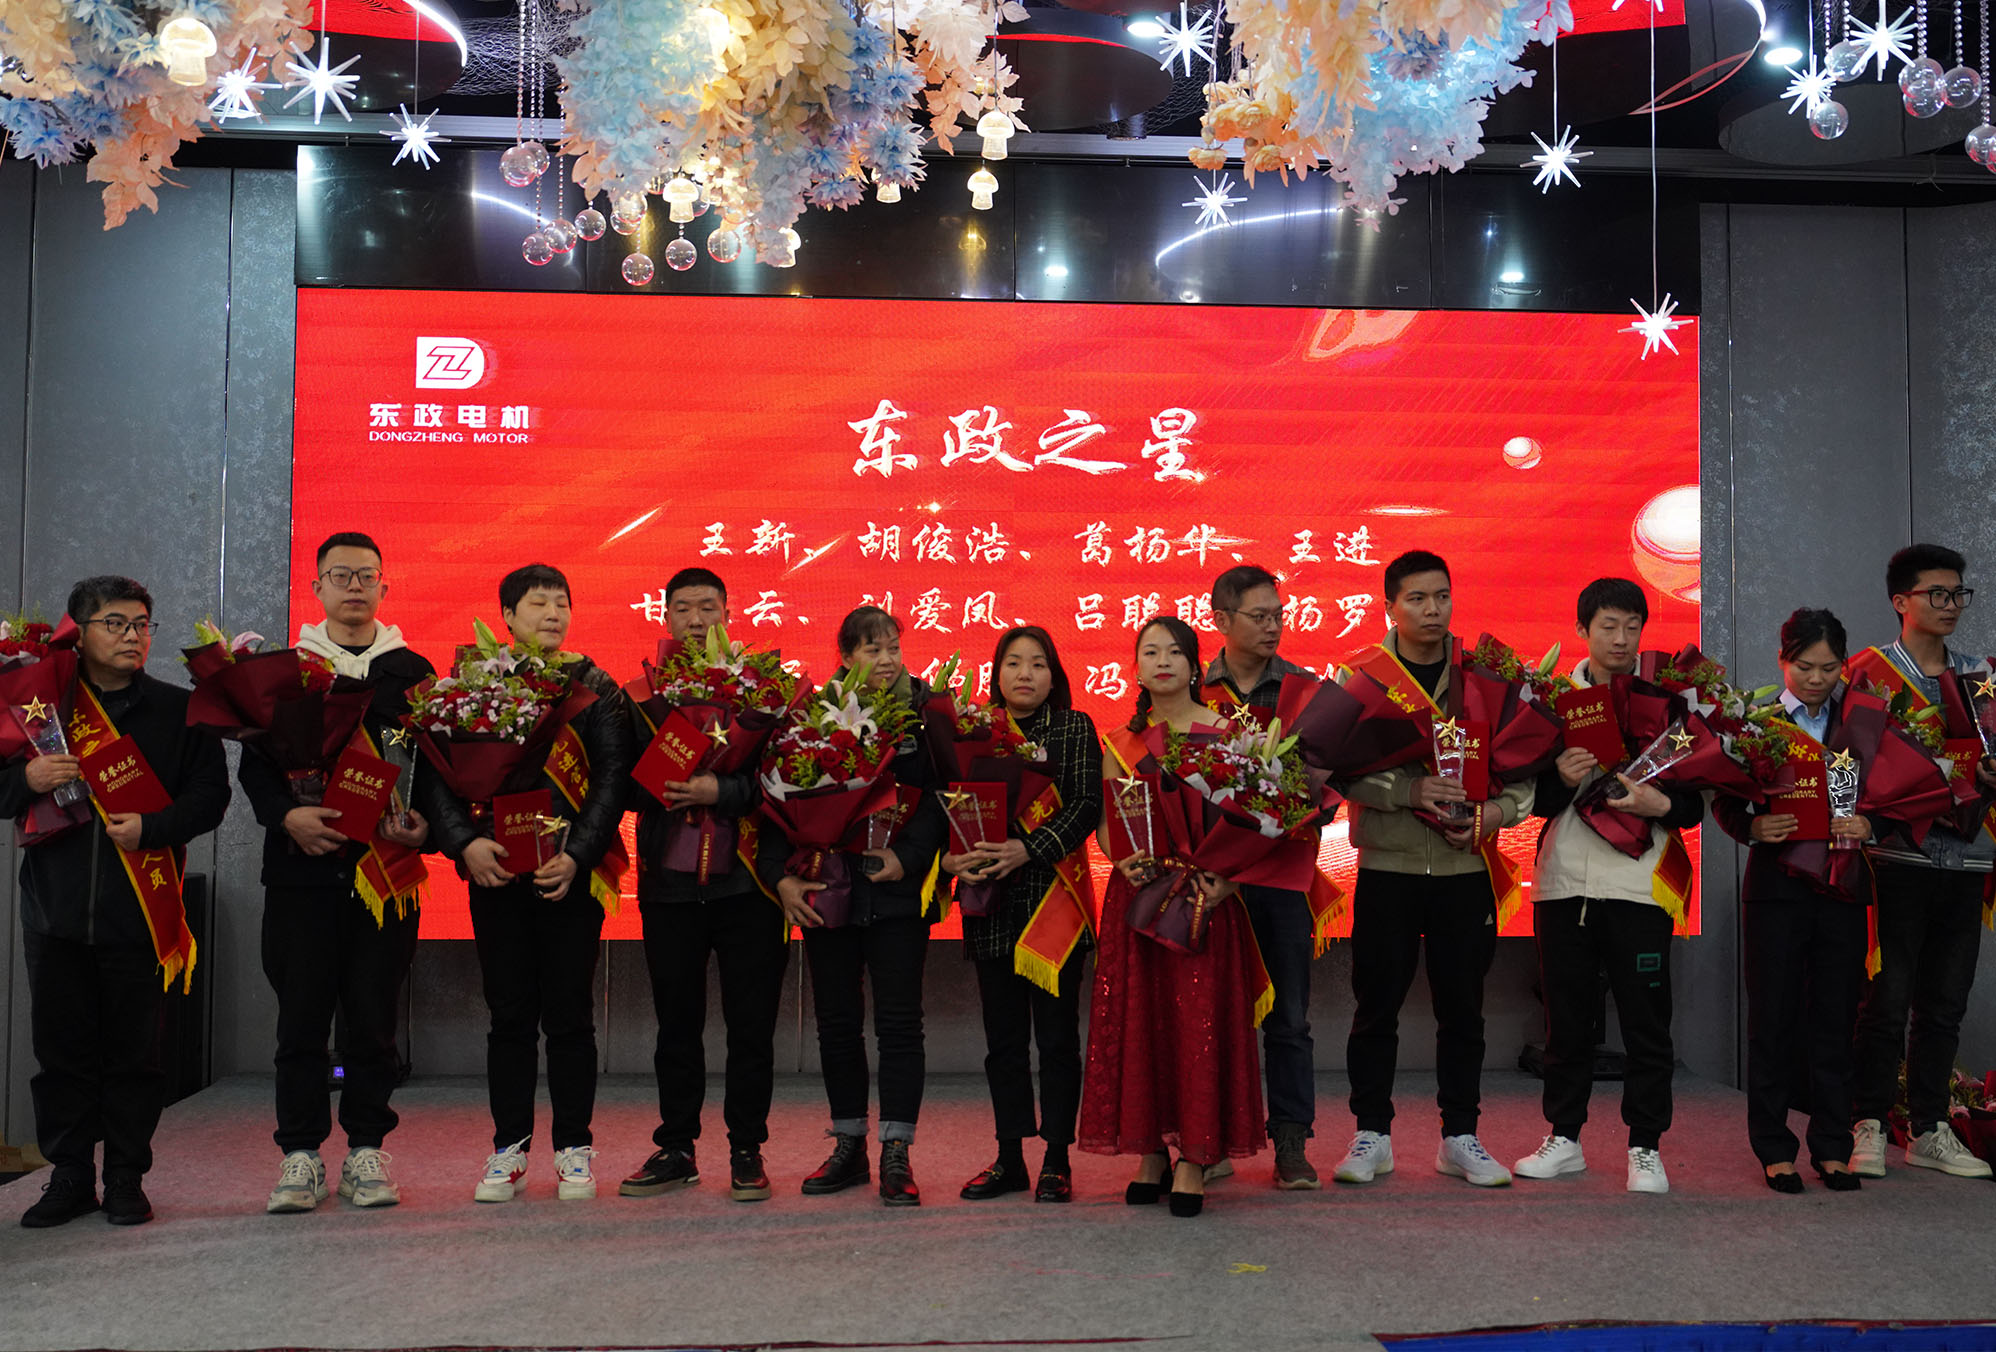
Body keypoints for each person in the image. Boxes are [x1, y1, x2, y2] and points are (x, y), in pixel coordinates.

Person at [1, 577, 229, 1227]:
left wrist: (152, 828)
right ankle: (69, 1175)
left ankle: (126, 1175)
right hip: (55, 910)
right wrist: (28, 778)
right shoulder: (40, 708)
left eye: (142, 625)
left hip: (139, 913)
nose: (133, 636)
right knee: (61, 1055)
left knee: (136, 1056)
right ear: (78, 633)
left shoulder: (180, 710)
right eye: (116, 624)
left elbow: (210, 798)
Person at [425, 564, 634, 1203]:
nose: (552, 613)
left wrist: (578, 854)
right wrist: (465, 844)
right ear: (507, 617)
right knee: (509, 1016)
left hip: (569, 874)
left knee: (570, 1017)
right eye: (538, 603)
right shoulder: (473, 685)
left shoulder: (596, 686)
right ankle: (508, 1150)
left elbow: (612, 780)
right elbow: (438, 775)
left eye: (561, 602)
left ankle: (574, 1149)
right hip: (495, 872)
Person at [1335, 550, 1534, 1188]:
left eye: (1442, 596)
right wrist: (1407, 791)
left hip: (1463, 871)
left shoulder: (1486, 678)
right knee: (1376, 1007)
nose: (1432, 609)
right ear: (1389, 606)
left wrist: (1494, 814)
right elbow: (1337, 771)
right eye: (1417, 598)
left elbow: (1525, 772)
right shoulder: (1361, 678)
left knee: (1463, 1010)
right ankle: (1371, 1134)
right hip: (1388, 867)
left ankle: (1460, 1136)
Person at [248, 532, 434, 1214]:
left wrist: (425, 827)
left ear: (384, 587)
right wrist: (285, 816)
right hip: (301, 874)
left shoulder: (413, 672)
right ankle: (299, 1155)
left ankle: (365, 1150)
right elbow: (255, 767)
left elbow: (434, 770)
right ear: (317, 587)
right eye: (340, 575)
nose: (354, 586)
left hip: (384, 873)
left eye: (366, 575)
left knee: (374, 1022)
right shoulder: (287, 671)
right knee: (300, 1021)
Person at [1514, 578, 1705, 1195]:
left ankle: (1645, 1147)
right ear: (1582, 630)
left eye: (1632, 626)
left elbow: (1694, 805)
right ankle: (1564, 1138)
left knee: (1647, 1024)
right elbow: (1531, 801)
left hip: (1640, 886)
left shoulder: (1669, 704)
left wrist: (1657, 803)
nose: (1621, 639)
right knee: (1566, 1023)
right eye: (1608, 626)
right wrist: (1562, 778)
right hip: (1564, 883)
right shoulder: (1551, 702)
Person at [1079, 617, 1268, 1218]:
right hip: (1139, 898)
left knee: (1197, 1024)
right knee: (1144, 1025)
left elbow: (1257, 822)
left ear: (1194, 665)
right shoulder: (1120, 741)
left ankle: (1195, 1157)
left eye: (1174, 652)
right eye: (1149, 652)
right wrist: (1119, 856)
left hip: (1203, 899)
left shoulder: (1227, 733)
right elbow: (1108, 823)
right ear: (1136, 669)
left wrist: (1229, 880)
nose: (1162, 661)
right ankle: (1152, 1152)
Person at [758, 606, 946, 1207]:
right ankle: (849, 1145)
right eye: (872, 649)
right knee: (836, 1022)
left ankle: (897, 1151)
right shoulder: (813, 717)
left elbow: (943, 798)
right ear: (845, 656)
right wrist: (780, 879)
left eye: (893, 647)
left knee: (899, 1024)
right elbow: (777, 800)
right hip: (830, 890)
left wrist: (907, 859)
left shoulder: (928, 715)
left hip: (897, 893)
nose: (887, 660)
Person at [618, 568, 790, 1204]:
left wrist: (724, 789)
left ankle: (747, 1148)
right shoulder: (642, 695)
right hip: (669, 885)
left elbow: (788, 780)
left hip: (749, 885)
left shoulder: (762, 690)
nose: (696, 620)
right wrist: (666, 780)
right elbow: (622, 783)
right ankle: (676, 1147)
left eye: (708, 607)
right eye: (684, 609)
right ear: (665, 617)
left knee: (752, 1026)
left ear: (727, 613)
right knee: (676, 1025)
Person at [1844, 543, 1996, 1180]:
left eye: (1958, 594)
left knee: (1945, 1004)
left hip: (1968, 859)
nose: (1951, 605)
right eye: (1937, 594)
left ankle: (1930, 1127)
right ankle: (1870, 1122)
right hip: (1896, 856)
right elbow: (1848, 762)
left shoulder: (1984, 677)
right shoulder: (1869, 673)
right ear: (1900, 600)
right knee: (1885, 1000)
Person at [1713, 608, 1870, 1193]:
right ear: (1783, 661)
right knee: (1773, 1019)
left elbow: (1888, 795)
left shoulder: (1863, 723)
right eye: (1804, 667)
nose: (1816, 679)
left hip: (1843, 888)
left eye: (1829, 668)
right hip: (1776, 889)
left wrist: (1870, 824)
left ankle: (1832, 1146)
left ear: (1844, 665)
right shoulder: (1757, 723)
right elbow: (1725, 798)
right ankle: (1774, 1147)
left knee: (1836, 1017)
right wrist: (1751, 828)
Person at [951, 627, 1103, 1205]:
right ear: (997, 673)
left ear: (1053, 675)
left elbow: (1086, 804)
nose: (1025, 674)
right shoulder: (975, 729)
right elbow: (956, 802)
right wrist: (960, 854)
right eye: (1013, 663)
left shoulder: (1074, 727)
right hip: (990, 900)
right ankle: (1009, 1157)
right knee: (1004, 1042)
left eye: (1038, 664)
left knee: (1058, 1040)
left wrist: (1028, 848)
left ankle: (1057, 1159)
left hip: (1053, 899)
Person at [1203, 563, 1322, 1189]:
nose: (1274, 626)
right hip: (1212, 879)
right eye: (1259, 616)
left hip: (1280, 876)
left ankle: (1292, 1143)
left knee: (1290, 1018)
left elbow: (1324, 785)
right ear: (1221, 620)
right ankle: (1208, 1140)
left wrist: (1298, 806)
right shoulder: (1193, 691)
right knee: (1210, 1013)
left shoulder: (1304, 691)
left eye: (1279, 615)